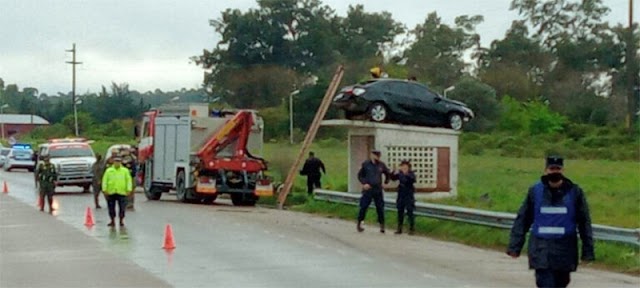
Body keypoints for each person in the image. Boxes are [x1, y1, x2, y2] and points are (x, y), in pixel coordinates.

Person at [507, 156, 595, 288]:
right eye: (551, 168)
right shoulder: (535, 191)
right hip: (541, 249)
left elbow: (584, 223)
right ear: (546, 170)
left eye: (557, 169)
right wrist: (515, 246)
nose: (554, 172)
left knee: (561, 283)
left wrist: (588, 250)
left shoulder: (575, 192)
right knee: (545, 283)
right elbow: (523, 219)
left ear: (563, 170)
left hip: (565, 250)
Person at [356, 149, 391, 233]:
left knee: (380, 208)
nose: (377, 157)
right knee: (363, 206)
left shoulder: (381, 165)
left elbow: (387, 174)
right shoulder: (366, 164)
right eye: (375, 155)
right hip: (368, 189)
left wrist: (386, 182)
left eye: (378, 155)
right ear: (371, 155)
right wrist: (364, 183)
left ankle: (382, 225)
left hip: (378, 189)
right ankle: (360, 223)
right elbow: (360, 176)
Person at [102, 157, 133, 227]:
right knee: (111, 207)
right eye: (116, 161)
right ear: (113, 162)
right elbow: (105, 180)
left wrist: (129, 189)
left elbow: (128, 180)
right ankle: (112, 220)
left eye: (119, 162)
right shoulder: (109, 170)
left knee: (122, 208)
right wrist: (104, 189)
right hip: (111, 192)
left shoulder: (125, 171)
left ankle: (121, 220)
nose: (117, 163)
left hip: (122, 192)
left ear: (121, 162)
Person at [390, 160, 416, 235]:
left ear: (408, 167)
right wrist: (393, 171)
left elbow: (413, 180)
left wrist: (406, 174)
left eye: (405, 167)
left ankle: (411, 229)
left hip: (409, 195)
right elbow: (393, 178)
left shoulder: (411, 174)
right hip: (401, 194)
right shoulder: (400, 174)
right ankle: (399, 228)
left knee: (410, 211)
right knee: (400, 211)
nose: (404, 168)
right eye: (402, 166)